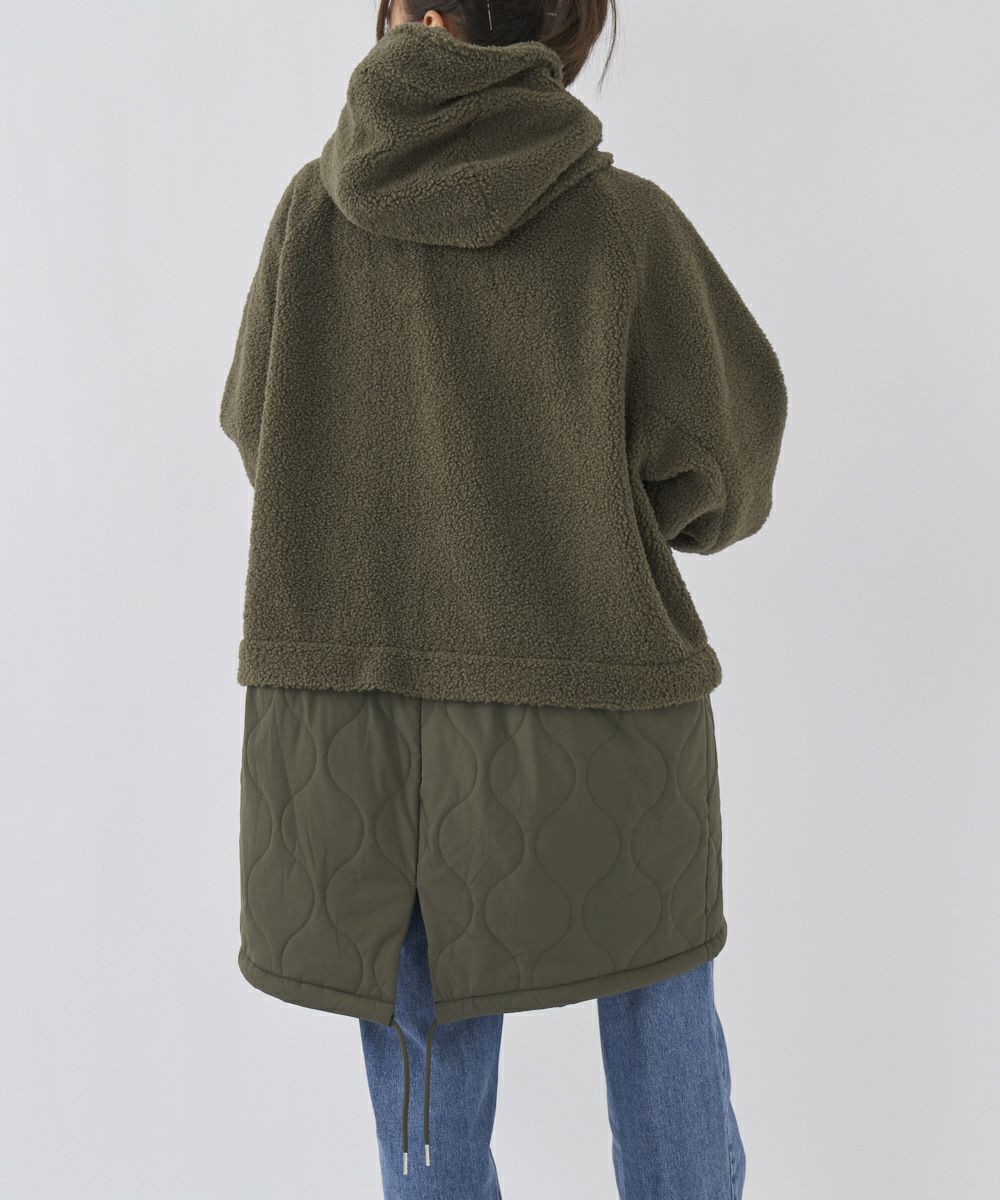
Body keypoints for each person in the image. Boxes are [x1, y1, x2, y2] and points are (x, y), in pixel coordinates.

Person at [220, 2, 787, 1196]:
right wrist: (588, 518)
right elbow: (723, 472)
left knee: (428, 1119)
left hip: (369, 725)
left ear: (413, 21)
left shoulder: (310, 220)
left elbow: (259, 432)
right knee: (664, 1052)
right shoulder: (623, 228)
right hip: (603, 708)